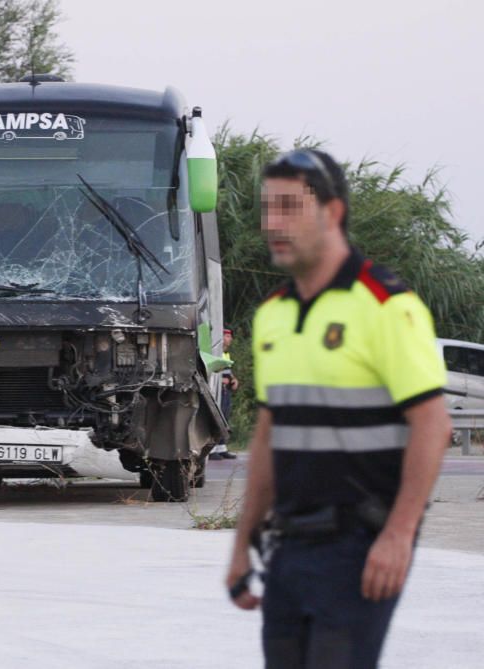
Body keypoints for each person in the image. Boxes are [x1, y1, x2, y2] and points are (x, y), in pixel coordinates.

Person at [225, 149, 451, 668]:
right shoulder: (272, 316)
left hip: (361, 544)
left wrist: (398, 535)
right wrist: (241, 544)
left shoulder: (386, 305)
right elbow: (267, 436)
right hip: (288, 545)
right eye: (267, 208)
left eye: (289, 206)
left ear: (332, 212)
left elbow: (432, 426)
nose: (272, 223)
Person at [210, 327, 240, 460]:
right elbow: (211, 370)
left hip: (225, 390)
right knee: (217, 417)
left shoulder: (225, 353)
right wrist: (220, 379)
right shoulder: (214, 352)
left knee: (224, 418)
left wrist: (234, 379)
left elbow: (228, 370)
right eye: (227, 336)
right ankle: (212, 449)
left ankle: (222, 447)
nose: (230, 339)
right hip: (218, 389)